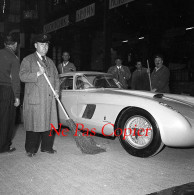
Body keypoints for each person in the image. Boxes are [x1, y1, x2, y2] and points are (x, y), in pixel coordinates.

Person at [19, 33, 59, 157]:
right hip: (36, 99)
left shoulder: (51, 62)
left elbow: (57, 78)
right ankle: (31, 149)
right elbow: (22, 76)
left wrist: (57, 91)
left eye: (46, 45)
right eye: (42, 44)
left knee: (49, 124)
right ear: (36, 45)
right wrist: (37, 73)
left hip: (49, 99)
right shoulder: (28, 60)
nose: (45, 47)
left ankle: (47, 147)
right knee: (34, 124)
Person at [0, 34, 20, 153]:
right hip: (7, 90)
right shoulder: (14, 58)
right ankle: (3, 146)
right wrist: (17, 96)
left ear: (4, 43)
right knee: (6, 119)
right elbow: (15, 80)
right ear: (15, 44)